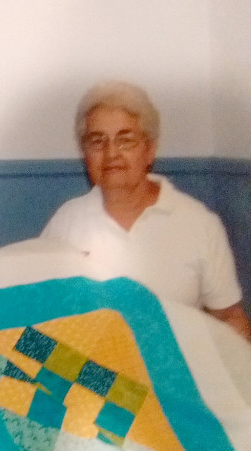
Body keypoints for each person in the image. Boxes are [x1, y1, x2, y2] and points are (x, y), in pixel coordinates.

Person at [41, 81, 251, 341]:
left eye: (125, 140)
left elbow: (229, 317)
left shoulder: (200, 224)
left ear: (149, 149)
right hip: (91, 376)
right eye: (98, 141)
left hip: (177, 375)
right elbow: (42, 311)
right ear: (85, 154)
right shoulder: (65, 223)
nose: (111, 153)